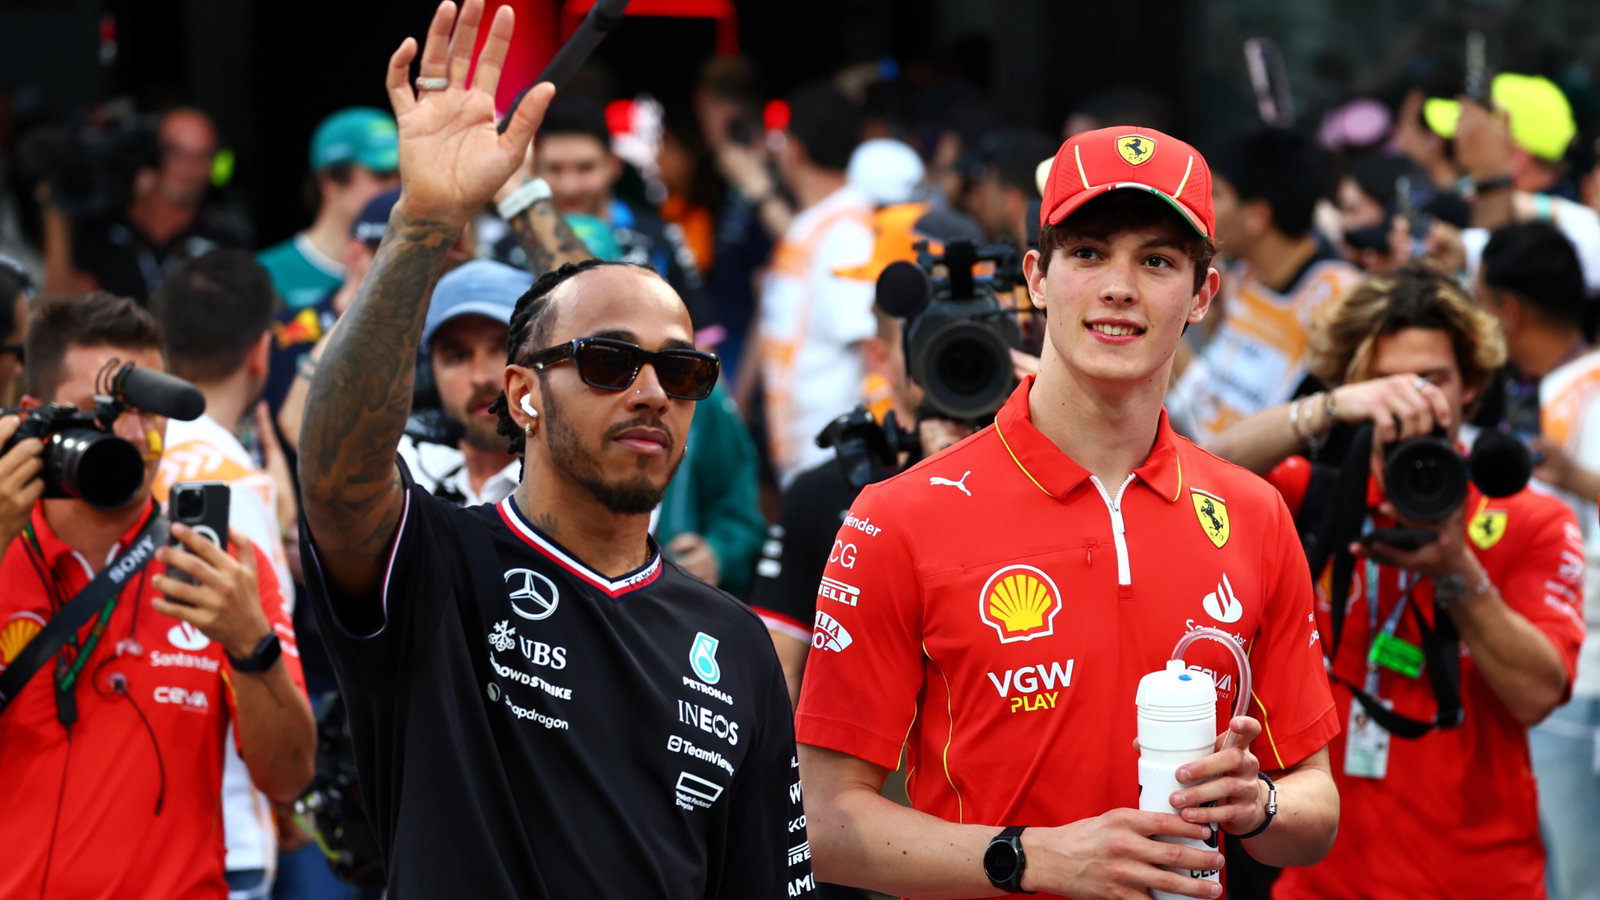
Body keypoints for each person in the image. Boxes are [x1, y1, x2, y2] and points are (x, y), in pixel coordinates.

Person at [295, 3, 814, 896]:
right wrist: (424, 219)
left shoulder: (733, 643)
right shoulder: (439, 568)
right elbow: (338, 482)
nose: (651, 390)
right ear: (523, 395)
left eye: (680, 371)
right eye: (609, 362)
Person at [796, 126, 1340, 899]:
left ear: (1203, 294)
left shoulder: (1253, 513)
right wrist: (1028, 859)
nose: (1120, 287)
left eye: (1156, 260)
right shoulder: (896, 516)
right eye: (1088, 253)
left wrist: (1261, 804)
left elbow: (1316, 808)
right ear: (1038, 277)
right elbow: (822, 821)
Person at [1207, 263, 1585, 899]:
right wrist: (1326, 409)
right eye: (1385, 381)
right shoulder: (1317, 495)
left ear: (1472, 386)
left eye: (1432, 379)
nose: (1410, 399)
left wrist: (1457, 570)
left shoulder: (1532, 517)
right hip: (1321, 881)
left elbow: (1539, 694)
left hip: (1479, 879)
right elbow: (1203, 481)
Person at [0, 291, 314, 898]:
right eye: (106, 407)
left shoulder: (221, 568)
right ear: (37, 414)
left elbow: (288, 778)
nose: (137, 432)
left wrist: (252, 645)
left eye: (150, 407)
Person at [151, 249, 303, 898]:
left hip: (139, 827)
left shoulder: (126, 460)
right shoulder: (236, 484)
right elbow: (258, 664)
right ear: (262, 353)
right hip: (221, 837)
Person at [1478, 224, 1600, 900]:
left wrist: (1576, 478)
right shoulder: (1558, 387)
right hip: (1568, 672)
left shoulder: (1579, 395)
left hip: (1581, 683)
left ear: (1509, 312)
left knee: (1578, 879)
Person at [1167, 127, 1362, 446]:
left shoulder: (1339, 298)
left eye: (1216, 194)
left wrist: (1160, 315)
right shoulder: (1241, 275)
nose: (1199, 206)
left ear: (1257, 216)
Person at [748, 82, 873, 486]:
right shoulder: (819, 224)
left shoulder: (847, 233)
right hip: (807, 463)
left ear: (794, 148)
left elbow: (871, 349)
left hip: (837, 467)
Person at [52, 108, 247, 305]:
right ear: (152, 157)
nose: (191, 168)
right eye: (176, 153)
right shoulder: (100, 233)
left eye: (203, 156)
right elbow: (61, 309)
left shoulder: (226, 246)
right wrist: (55, 212)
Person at [400, 258, 529, 505]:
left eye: (503, 348)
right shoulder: (406, 468)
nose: (480, 377)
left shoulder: (581, 480)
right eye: (457, 356)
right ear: (430, 374)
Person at [257, 107, 400, 311]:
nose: (397, 188)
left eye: (401, 175)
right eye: (382, 175)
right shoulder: (266, 275)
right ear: (330, 180)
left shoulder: (415, 269)